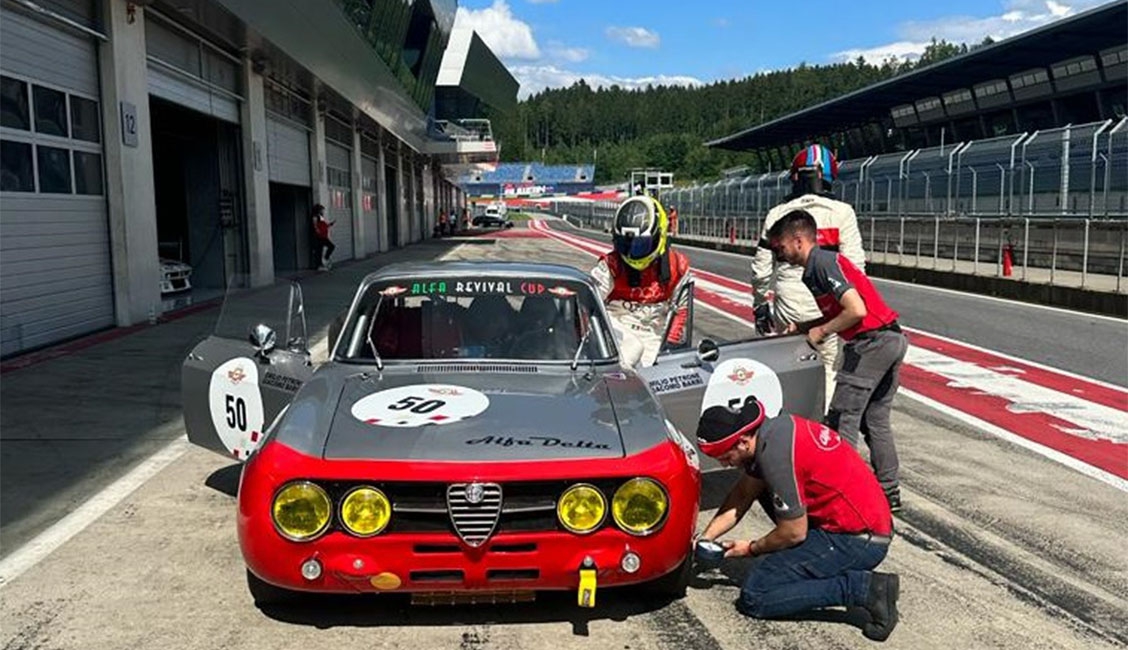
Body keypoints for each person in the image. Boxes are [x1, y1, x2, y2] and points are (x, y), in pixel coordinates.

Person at [695, 398, 899, 642]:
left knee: (756, 595)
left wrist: (751, 548)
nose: (724, 464)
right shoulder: (774, 432)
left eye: (725, 456)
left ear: (742, 442)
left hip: (860, 540)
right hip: (859, 522)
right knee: (759, 486)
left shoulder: (776, 459)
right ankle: (810, 560)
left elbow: (794, 532)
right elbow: (743, 494)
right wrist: (705, 538)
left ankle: (866, 589)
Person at [768, 209, 907, 512]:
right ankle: (888, 491)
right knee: (874, 419)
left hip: (871, 343)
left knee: (843, 417)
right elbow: (840, 312)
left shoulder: (822, 263)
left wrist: (821, 331)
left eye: (781, 247)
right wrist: (805, 326)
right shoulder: (816, 268)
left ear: (799, 241)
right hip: (890, 339)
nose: (779, 255)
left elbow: (855, 310)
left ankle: (845, 492)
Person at [751, 144, 865, 408]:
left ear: (796, 177)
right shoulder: (843, 212)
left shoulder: (777, 214)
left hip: (788, 302)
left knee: (788, 368)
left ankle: (789, 420)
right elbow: (855, 267)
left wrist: (759, 303)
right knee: (828, 371)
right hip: (828, 303)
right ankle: (822, 423)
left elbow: (761, 267)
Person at [590, 195, 691, 368]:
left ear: (659, 236)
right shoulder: (611, 264)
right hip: (616, 326)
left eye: (640, 245)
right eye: (625, 244)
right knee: (632, 349)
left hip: (653, 332)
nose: (631, 252)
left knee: (656, 368)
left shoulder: (678, 266)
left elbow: (681, 311)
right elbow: (589, 303)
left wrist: (669, 347)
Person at [312, 204, 336, 271]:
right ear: (318, 210)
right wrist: (317, 231)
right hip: (320, 237)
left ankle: (321, 264)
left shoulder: (320, 217)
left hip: (323, 236)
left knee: (320, 250)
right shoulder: (315, 216)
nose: (323, 211)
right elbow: (315, 225)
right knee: (331, 246)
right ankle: (324, 259)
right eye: (322, 210)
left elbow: (324, 225)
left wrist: (330, 224)